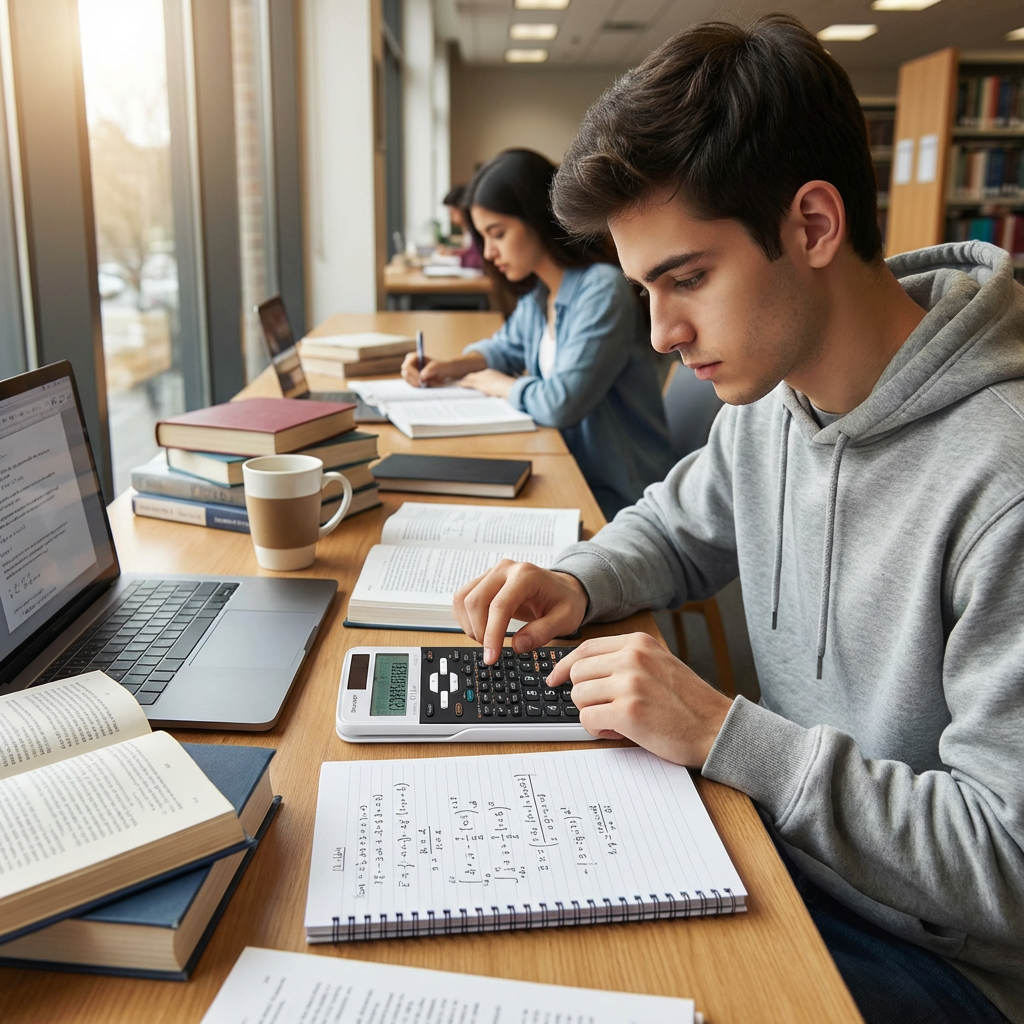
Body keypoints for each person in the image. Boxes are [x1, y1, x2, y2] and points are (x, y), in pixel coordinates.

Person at [452, 16, 1024, 1024]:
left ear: (810, 226)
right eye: (642, 289)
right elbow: (678, 526)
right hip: (786, 859)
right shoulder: (772, 398)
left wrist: (723, 732)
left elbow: (1007, 868)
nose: (663, 334)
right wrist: (580, 579)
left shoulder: (1002, 476)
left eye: (686, 278)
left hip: (942, 964)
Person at [402, 149, 675, 520]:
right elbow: (506, 346)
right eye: (482, 238)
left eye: (497, 234)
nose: (488, 252)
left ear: (537, 217)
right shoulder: (542, 292)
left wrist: (497, 385)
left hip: (617, 495)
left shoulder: (601, 289)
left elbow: (561, 403)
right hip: (573, 469)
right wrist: (451, 366)